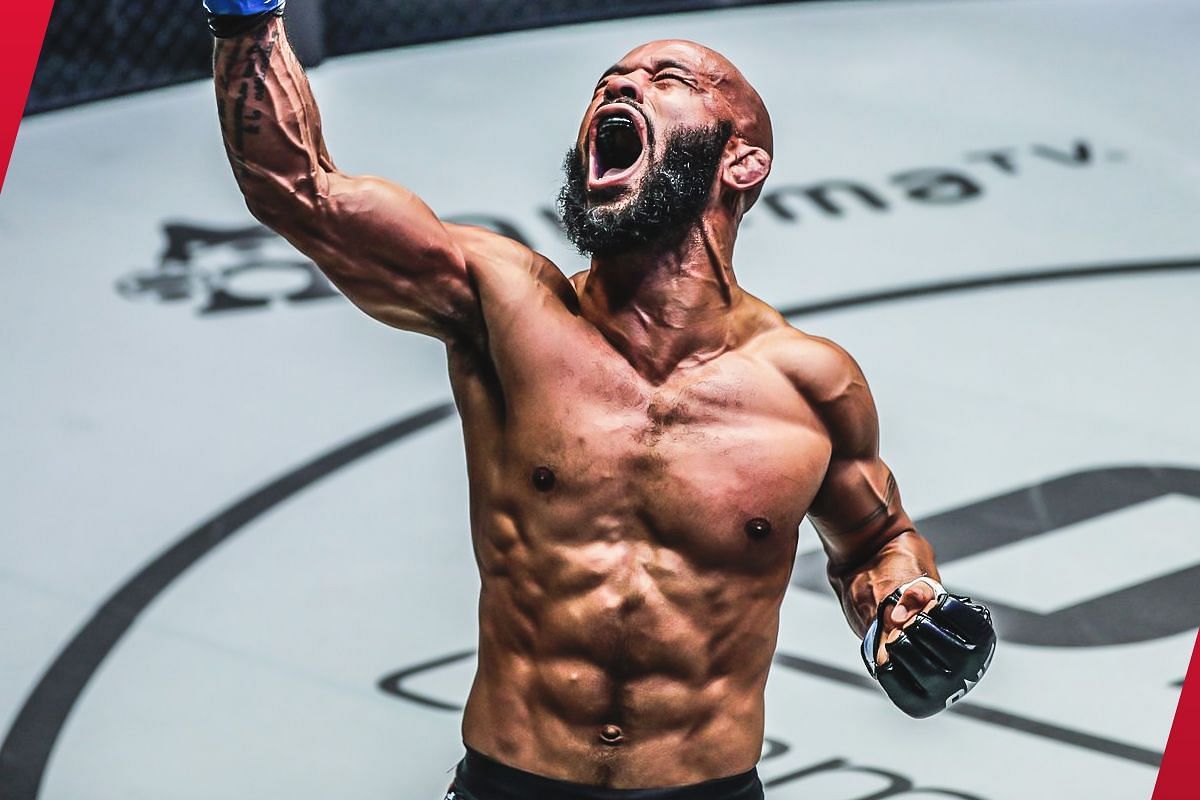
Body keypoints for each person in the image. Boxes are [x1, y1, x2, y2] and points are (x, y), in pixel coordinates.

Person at [204, 3, 996, 798]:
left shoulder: (810, 387)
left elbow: (873, 540)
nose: (622, 86)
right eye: (608, 83)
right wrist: (244, 18)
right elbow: (298, 190)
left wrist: (899, 606)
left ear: (742, 162)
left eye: (668, 79)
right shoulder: (503, 308)